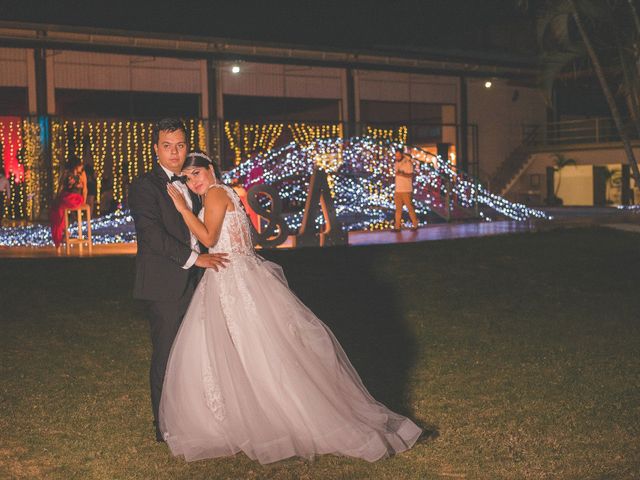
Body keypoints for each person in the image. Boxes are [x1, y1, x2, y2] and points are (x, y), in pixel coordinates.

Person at [161, 151, 422, 464]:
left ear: (210, 169)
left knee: (248, 350)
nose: (193, 183)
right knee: (255, 348)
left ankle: (268, 417)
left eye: (197, 174)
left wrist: (180, 208)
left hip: (231, 279)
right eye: (188, 179)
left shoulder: (216, 195)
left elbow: (208, 236)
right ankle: (251, 413)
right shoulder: (229, 191)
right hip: (242, 273)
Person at [128, 118, 229, 443]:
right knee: (168, 354)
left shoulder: (195, 182)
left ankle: (199, 416)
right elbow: (152, 236)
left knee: (198, 353)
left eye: (181, 145)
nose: (175, 152)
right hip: (164, 282)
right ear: (156, 148)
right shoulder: (145, 186)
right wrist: (194, 258)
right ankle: (165, 427)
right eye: (167, 146)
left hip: (201, 282)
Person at [49, 155, 87, 247]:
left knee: (60, 206)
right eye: (80, 165)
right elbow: (60, 186)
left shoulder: (82, 174)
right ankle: (63, 231)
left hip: (75, 197)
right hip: (66, 195)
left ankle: (64, 231)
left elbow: (85, 188)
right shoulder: (67, 173)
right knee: (56, 208)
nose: (81, 167)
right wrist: (57, 197)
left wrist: (84, 202)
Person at [393, 147, 418, 231]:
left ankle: (415, 225)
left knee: (410, 208)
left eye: (398, 156)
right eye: (396, 156)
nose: (397, 158)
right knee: (398, 209)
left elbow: (411, 175)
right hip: (398, 190)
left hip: (406, 190)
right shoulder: (396, 163)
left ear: (402, 155)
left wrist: (402, 174)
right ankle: (397, 227)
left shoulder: (408, 163)